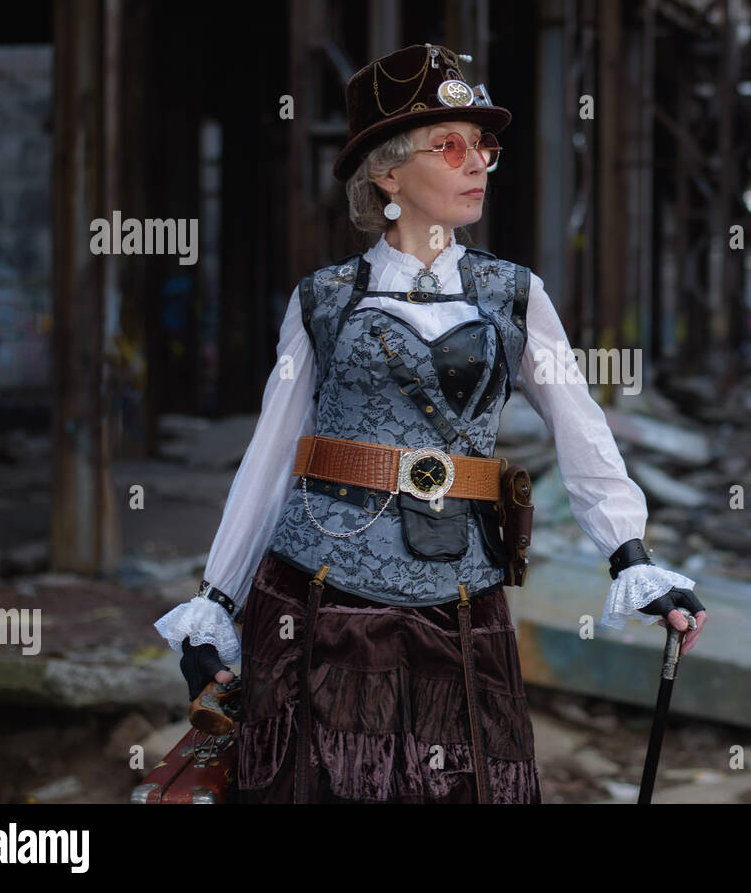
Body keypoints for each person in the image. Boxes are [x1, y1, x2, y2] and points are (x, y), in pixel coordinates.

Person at [153, 42, 707, 803]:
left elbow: (582, 429)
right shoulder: (323, 299)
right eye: (450, 145)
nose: (476, 161)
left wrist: (632, 557)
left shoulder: (514, 294)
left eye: (483, 145)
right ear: (387, 170)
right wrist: (216, 603)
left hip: (462, 599)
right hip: (319, 599)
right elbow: (273, 452)